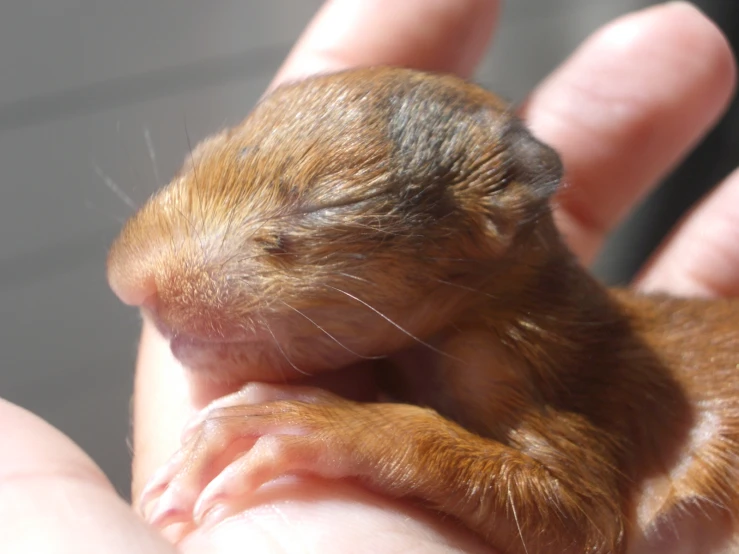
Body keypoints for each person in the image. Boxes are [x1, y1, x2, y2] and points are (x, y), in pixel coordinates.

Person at [2, 1, 737, 552]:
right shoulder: (423, 346)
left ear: (487, 216)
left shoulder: (531, 351)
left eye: (305, 220)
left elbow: (575, 512)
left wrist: (366, 437)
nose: (140, 283)